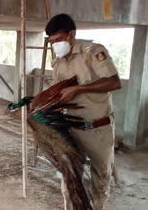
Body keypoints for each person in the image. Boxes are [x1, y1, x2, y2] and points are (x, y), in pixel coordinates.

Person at [45, 13, 121, 210]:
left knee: (100, 176)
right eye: (52, 41)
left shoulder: (93, 52)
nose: (56, 45)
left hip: (98, 128)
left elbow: (114, 82)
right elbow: (58, 95)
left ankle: (97, 208)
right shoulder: (58, 63)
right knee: (69, 175)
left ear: (72, 34)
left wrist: (79, 89)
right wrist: (41, 107)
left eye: (59, 39)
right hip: (71, 128)